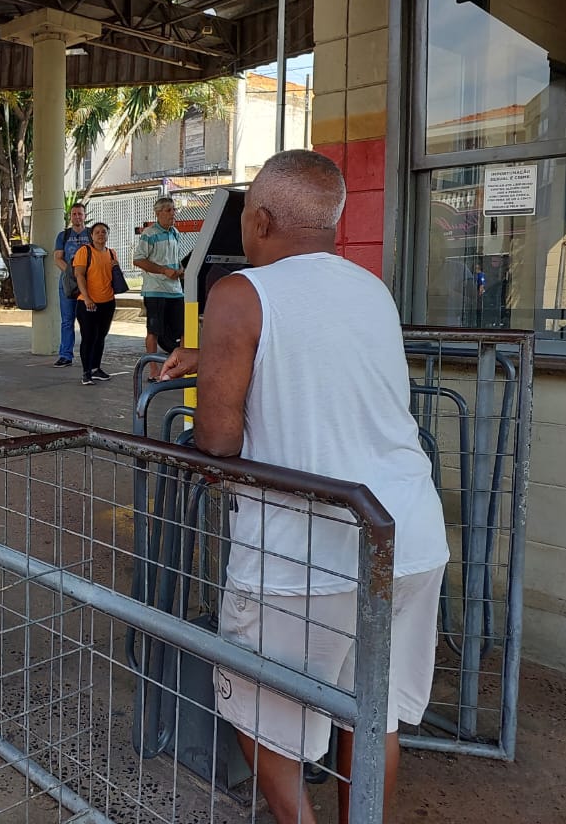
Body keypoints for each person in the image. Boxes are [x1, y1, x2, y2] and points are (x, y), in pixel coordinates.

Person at [158, 150, 449, 824]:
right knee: (370, 711)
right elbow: (320, 353)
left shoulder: (239, 293)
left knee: (261, 708)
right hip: (405, 538)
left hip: (305, 556)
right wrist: (219, 353)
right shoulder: (369, 287)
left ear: (258, 219)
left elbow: (218, 440)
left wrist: (214, 369)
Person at [132, 196, 184, 377]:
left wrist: (181, 269)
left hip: (175, 290)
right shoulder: (149, 233)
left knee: (183, 330)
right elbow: (138, 259)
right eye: (169, 210)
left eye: (174, 210)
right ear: (158, 213)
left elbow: (176, 259)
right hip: (155, 290)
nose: (173, 213)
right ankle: (154, 370)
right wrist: (163, 270)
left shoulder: (175, 233)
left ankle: (181, 367)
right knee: (154, 331)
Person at [72, 221, 119, 386]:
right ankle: (86, 372)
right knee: (89, 337)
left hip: (107, 302)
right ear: (91, 235)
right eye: (97, 232)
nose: (101, 235)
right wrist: (87, 298)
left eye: (104, 232)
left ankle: (95, 368)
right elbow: (79, 275)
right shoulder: (84, 252)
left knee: (100, 337)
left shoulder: (112, 253)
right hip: (87, 303)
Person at [53, 202, 92, 367]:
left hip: (89, 283)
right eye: (74, 214)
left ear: (84, 215)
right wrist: (72, 273)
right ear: (71, 216)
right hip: (68, 284)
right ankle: (65, 355)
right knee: (67, 320)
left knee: (89, 321)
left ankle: (89, 356)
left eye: (80, 214)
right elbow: (57, 258)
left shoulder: (91, 234)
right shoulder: (63, 236)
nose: (77, 217)